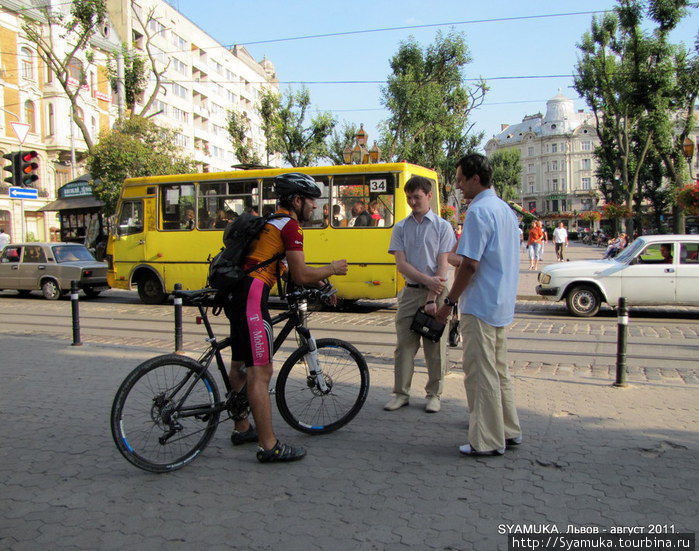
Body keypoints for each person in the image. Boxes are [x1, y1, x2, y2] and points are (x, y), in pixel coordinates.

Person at [224, 172, 348, 463]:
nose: (315, 207)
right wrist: (332, 269)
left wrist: (320, 284)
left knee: (240, 365)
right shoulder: (290, 226)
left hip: (235, 294)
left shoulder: (270, 221)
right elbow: (301, 273)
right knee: (261, 372)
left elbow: (290, 270)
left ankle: (242, 427)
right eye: (311, 201)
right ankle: (269, 446)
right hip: (253, 298)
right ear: (296, 200)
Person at [435, 153, 522, 457]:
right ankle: (508, 430)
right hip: (500, 301)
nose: (457, 185)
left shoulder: (478, 211)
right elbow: (487, 257)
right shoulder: (504, 210)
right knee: (498, 371)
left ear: (475, 178)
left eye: (460, 179)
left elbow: (470, 266)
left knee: (481, 373)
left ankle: (485, 440)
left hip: (481, 304)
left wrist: (449, 302)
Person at [384, 176, 455, 414]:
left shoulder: (442, 227)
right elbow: (401, 264)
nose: (413, 201)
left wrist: (432, 298)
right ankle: (401, 393)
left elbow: (442, 264)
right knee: (404, 345)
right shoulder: (401, 227)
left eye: (418, 197)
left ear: (429, 196)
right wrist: (426, 281)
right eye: (409, 197)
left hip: (436, 292)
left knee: (434, 347)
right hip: (411, 291)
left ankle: (434, 394)